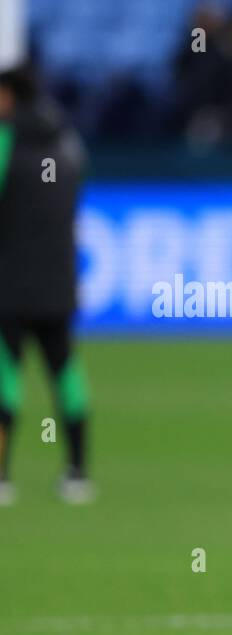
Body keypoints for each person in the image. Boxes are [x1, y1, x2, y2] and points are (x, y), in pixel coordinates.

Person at [0, 65, 92, 506]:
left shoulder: (5, 140)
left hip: (10, 283)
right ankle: (77, 473)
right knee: (65, 373)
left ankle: (2, 478)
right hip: (57, 281)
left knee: (6, 375)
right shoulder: (66, 142)